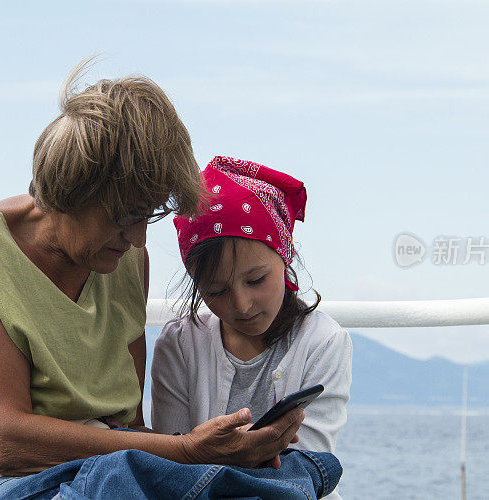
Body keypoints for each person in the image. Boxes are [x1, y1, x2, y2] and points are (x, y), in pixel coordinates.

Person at [0, 63, 305, 500]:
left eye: (149, 216)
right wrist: (186, 452)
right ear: (72, 190)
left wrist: (212, 452)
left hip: (98, 484)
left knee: (304, 470)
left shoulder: (125, 257)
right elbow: (1, 441)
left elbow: (129, 427)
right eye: (126, 217)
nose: (139, 239)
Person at [150, 156, 352, 468]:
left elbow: (311, 465)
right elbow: (168, 462)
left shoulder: (323, 341)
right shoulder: (180, 344)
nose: (242, 305)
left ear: (284, 255)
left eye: (256, 280)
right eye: (216, 291)